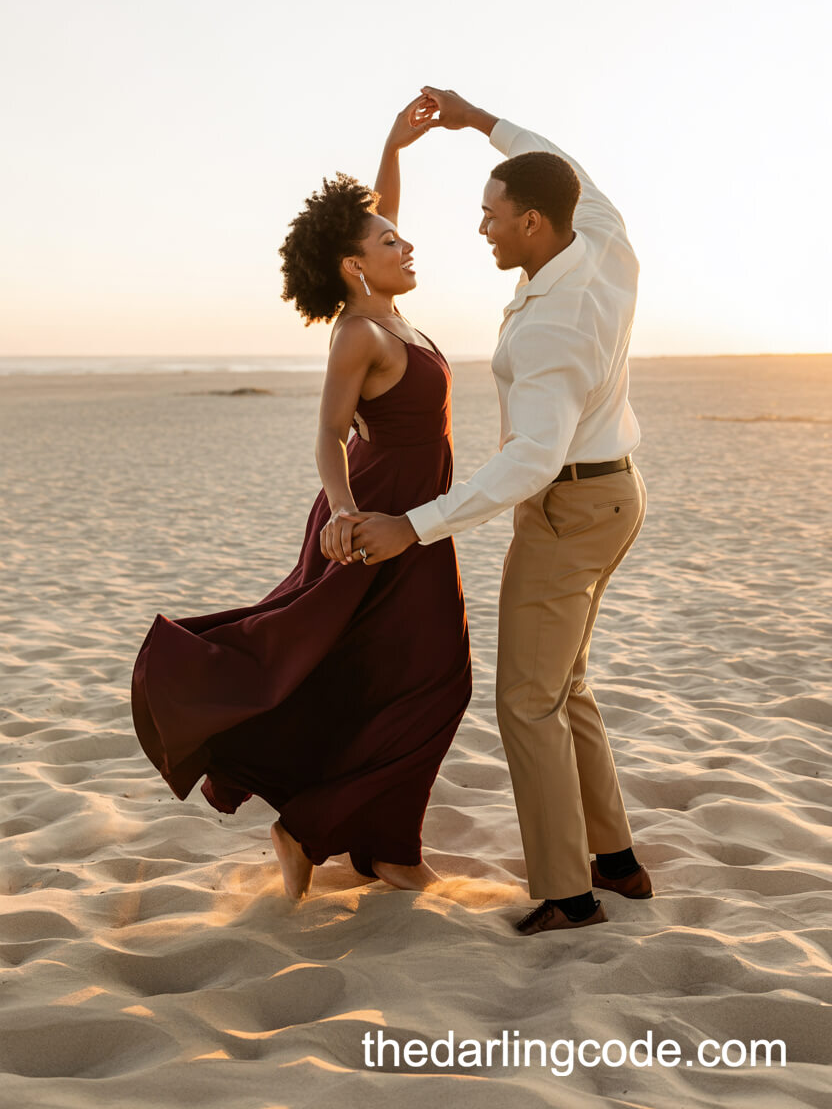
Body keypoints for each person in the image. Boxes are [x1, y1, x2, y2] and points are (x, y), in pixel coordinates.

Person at [130, 98, 472, 900]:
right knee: (435, 680)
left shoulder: (391, 310)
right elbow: (327, 433)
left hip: (418, 520)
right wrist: (344, 511)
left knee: (399, 679)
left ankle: (385, 848)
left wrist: (394, 146)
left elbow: (378, 214)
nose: (406, 243)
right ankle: (317, 830)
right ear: (355, 266)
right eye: (389, 242)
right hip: (374, 517)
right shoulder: (360, 333)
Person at [339, 86, 651, 935]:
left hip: (569, 506)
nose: (481, 227)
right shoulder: (603, 238)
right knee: (565, 685)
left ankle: (567, 895)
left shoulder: (555, 328)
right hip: (614, 495)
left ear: (535, 225)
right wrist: (479, 122)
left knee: (526, 700)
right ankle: (616, 860)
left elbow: (531, 460)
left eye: (493, 216)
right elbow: (566, 168)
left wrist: (415, 525)